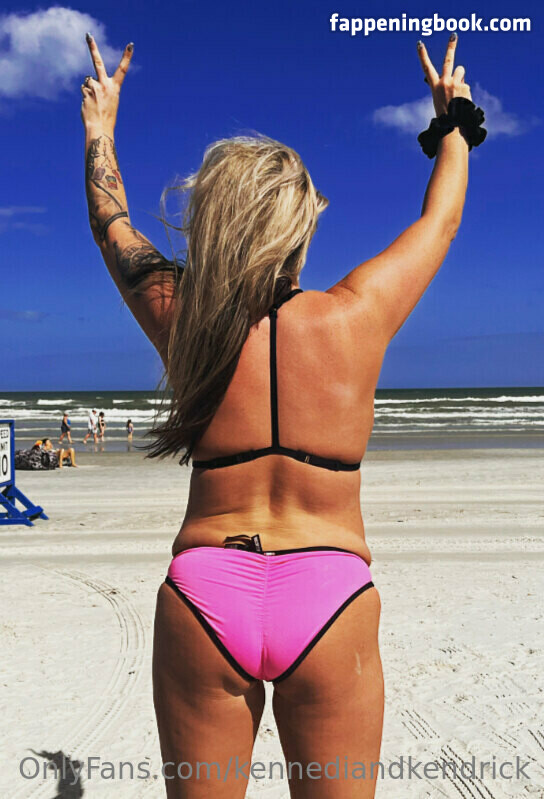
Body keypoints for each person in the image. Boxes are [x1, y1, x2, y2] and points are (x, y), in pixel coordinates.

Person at [82, 32, 478, 798]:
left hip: (204, 594)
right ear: (300, 227)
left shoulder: (184, 316)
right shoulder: (356, 317)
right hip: (330, 593)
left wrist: (101, 126)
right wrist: (452, 119)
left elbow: (111, 221)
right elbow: (443, 219)